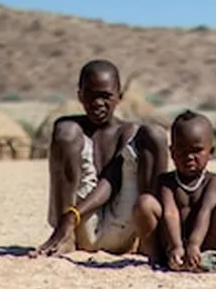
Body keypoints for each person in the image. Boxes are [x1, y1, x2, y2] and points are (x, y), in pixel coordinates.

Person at [30, 59, 168, 257]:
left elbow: (111, 183)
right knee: (65, 131)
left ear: (119, 97)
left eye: (106, 96)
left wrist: (73, 215)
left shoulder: (128, 132)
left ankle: (150, 238)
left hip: (123, 226)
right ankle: (65, 240)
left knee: (154, 135)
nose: (98, 103)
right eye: (91, 95)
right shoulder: (73, 130)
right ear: (80, 96)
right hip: (78, 228)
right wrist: (69, 218)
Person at [133, 110, 216, 272]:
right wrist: (176, 245)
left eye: (197, 150)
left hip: (205, 244)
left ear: (210, 153)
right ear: (172, 152)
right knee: (145, 203)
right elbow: (170, 213)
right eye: (182, 150)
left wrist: (194, 244)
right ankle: (156, 257)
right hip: (172, 243)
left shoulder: (213, 181)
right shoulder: (166, 181)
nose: (189, 157)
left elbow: (205, 211)